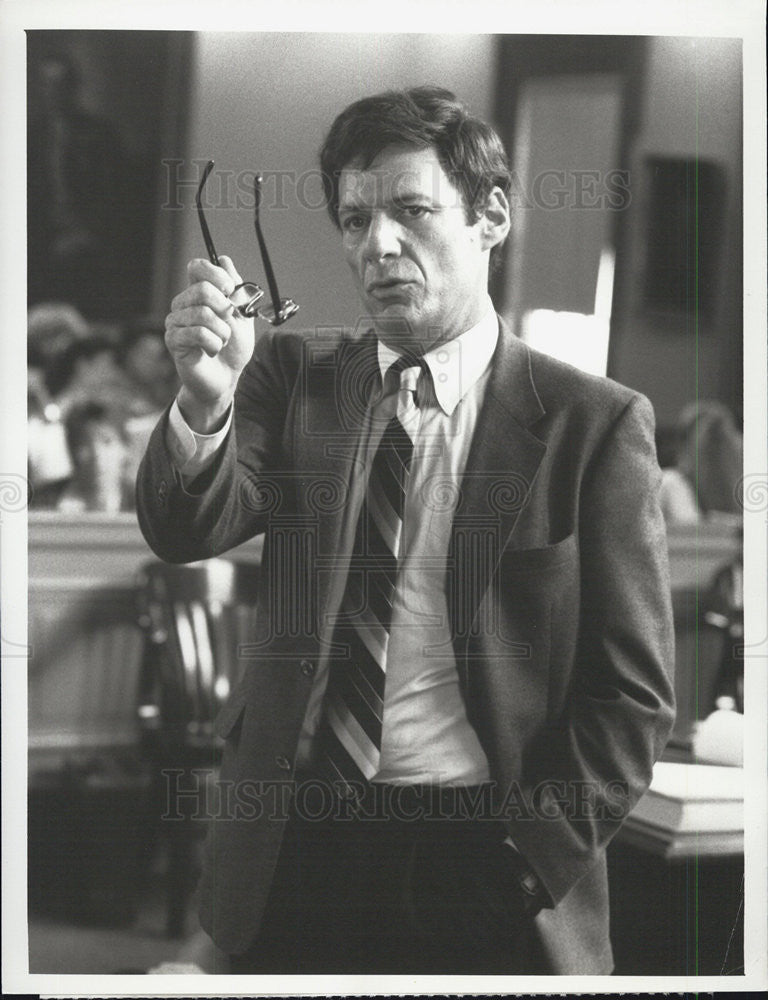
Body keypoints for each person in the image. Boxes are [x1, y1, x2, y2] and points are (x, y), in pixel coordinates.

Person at [136, 86, 674, 975]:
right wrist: (204, 399)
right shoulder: (292, 376)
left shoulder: (593, 424)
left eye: (412, 211)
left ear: (491, 216)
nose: (378, 245)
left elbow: (634, 697)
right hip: (293, 848)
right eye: (354, 220)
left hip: (481, 861)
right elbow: (184, 525)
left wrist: (523, 865)